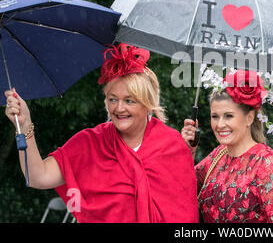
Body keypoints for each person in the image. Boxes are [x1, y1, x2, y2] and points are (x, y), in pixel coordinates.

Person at [4, 43, 198, 223]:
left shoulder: (173, 145)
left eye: (129, 101)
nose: (119, 108)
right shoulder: (89, 142)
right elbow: (38, 176)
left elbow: (184, 214)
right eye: (113, 99)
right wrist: (25, 124)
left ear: (147, 104)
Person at [182, 70, 273, 223]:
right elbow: (180, 190)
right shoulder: (218, 155)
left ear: (249, 118)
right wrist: (187, 153)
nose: (220, 125)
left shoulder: (267, 164)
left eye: (229, 116)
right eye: (215, 116)